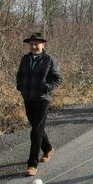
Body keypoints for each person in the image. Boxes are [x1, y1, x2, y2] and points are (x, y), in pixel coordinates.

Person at [16, 32, 63, 176]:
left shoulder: (49, 60)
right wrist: (20, 86)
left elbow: (58, 79)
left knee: (36, 131)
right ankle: (48, 148)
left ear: (42, 44)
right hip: (28, 97)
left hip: (42, 99)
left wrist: (46, 87)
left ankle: (32, 164)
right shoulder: (25, 59)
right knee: (37, 128)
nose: (34, 46)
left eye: (36, 44)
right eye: (31, 44)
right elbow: (20, 74)